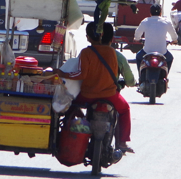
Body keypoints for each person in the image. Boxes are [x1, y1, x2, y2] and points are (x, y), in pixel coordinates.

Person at [57, 22, 133, 152]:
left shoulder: (86, 52)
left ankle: (75, 126)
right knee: (125, 109)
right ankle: (122, 142)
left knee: (70, 105)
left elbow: (81, 74)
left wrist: (62, 73)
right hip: (110, 96)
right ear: (101, 36)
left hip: (88, 95)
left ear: (88, 37)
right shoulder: (112, 52)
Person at [133, 4, 177, 73]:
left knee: (138, 57)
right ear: (160, 13)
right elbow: (174, 36)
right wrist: (174, 41)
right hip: (162, 53)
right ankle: (165, 74)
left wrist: (137, 39)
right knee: (170, 58)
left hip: (147, 52)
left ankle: (140, 76)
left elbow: (137, 34)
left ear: (150, 13)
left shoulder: (145, 21)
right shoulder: (166, 22)